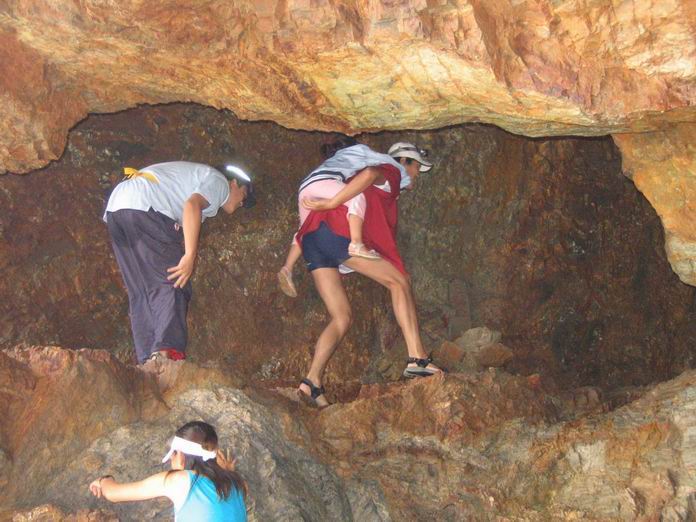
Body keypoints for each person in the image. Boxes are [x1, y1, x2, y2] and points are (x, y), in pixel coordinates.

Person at [293, 141, 443, 408]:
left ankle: (311, 382)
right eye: (417, 167)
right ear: (405, 161)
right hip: (335, 232)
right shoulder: (393, 170)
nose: (417, 174)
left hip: (313, 240)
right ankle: (418, 359)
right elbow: (372, 174)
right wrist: (333, 203)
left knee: (342, 316)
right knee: (399, 282)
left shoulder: (367, 183)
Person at [104, 161, 254, 364]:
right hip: (145, 205)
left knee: (142, 290)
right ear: (234, 183)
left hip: (117, 209)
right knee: (175, 279)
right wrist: (190, 256)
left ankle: (147, 360)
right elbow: (192, 206)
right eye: (244, 196)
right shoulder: (219, 182)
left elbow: (187, 219)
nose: (241, 204)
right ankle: (166, 352)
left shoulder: (193, 181)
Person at [277, 137, 383, 298]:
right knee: (356, 196)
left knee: (303, 229)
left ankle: (287, 268)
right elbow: (372, 168)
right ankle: (356, 243)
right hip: (322, 182)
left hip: (305, 188)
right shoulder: (354, 154)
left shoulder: (332, 162)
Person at [89, 421, 247, 521]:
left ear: (182, 457)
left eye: (174, 453)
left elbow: (114, 494)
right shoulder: (238, 483)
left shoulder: (178, 481)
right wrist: (227, 470)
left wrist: (103, 480)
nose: (172, 458)